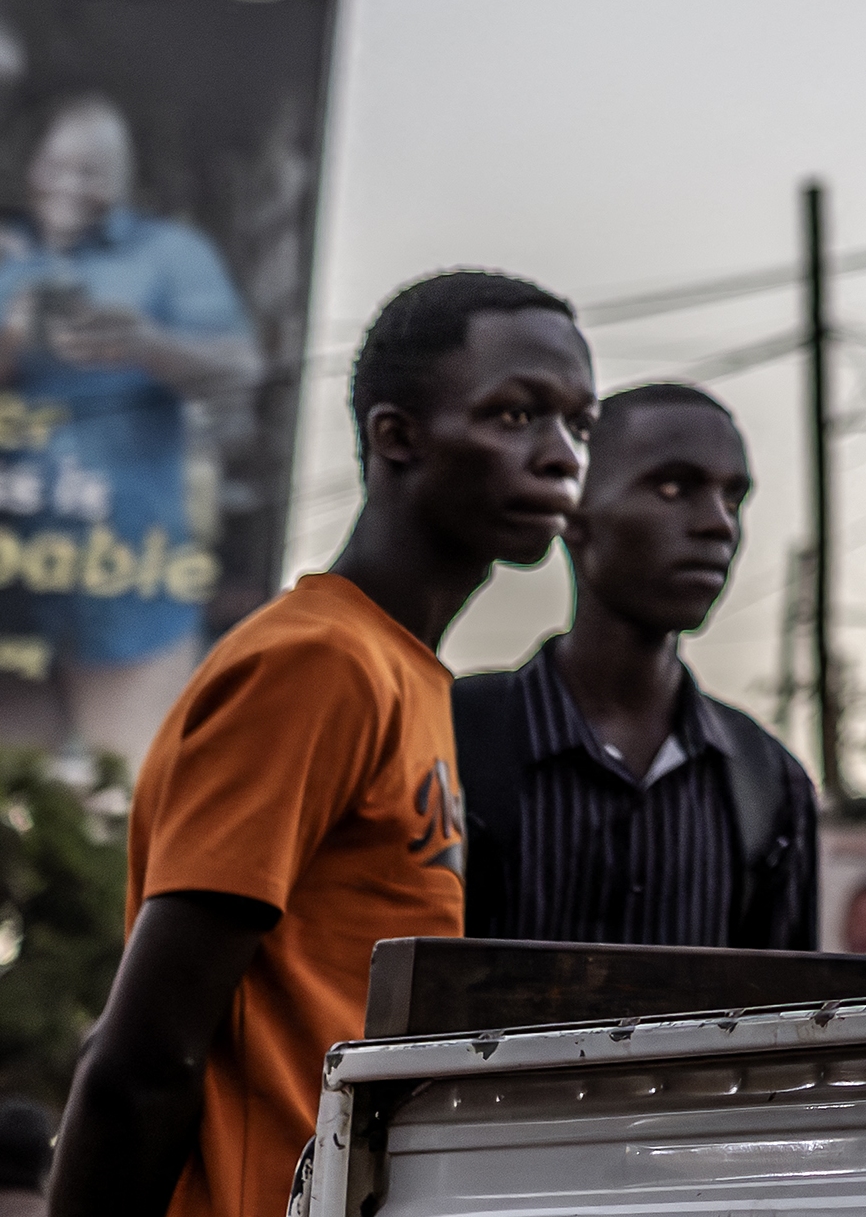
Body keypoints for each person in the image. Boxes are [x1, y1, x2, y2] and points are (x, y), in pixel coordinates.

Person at [51, 275, 590, 1217]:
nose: (560, 456)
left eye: (579, 424)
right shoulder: (314, 662)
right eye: (515, 413)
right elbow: (143, 1058)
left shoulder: (409, 677)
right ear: (397, 435)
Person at [453, 385, 818, 954]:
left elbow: (784, 1027)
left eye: (734, 498)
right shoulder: (450, 739)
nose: (719, 525)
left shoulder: (769, 784)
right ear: (574, 514)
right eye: (674, 487)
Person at [0, 100, 259, 772]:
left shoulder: (171, 255)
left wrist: (148, 344)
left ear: (123, 177)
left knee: (145, 808)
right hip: (14, 588)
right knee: (17, 826)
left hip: (128, 585)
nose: (68, 184)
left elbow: (244, 367)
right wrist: (16, 335)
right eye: (56, 165)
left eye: (90, 170)